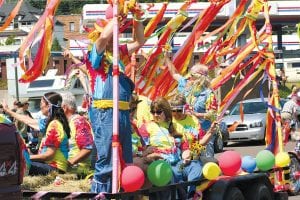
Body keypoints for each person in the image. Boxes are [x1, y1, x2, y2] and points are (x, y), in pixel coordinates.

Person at [74, 4, 145, 193]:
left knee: (125, 157)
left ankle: (122, 191)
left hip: (121, 111)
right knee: (105, 158)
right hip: (104, 111)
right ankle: (101, 194)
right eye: (115, 30)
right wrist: (116, 20)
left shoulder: (118, 52)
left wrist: (137, 17)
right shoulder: (95, 53)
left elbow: (139, 41)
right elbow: (104, 38)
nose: (117, 33)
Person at [3, 92, 71, 175]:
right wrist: (8, 111)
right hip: (50, 166)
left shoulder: (54, 125)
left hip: (54, 169)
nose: (40, 106)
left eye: (41, 103)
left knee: (16, 165)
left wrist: (25, 157)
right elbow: (27, 120)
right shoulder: (52, 122)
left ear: (48, 105)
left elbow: (49, 156)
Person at [165, 55, 218, 157]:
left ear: (200, 78)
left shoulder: (208, 93)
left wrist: (196, 114)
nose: (189, 78)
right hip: (183, 132)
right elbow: (174, 73)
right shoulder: (185, 85)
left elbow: (213, 115)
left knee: (203, 159)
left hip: (202, 134)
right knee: (185, 158)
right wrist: (167, 57)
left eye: (192, 76)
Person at [61, 92, 94, 178]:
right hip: (69, 171)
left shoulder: (78, 121)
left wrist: (69, 162)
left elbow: (87, 148)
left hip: (79, 172)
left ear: (64, 108)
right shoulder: (67, 122)